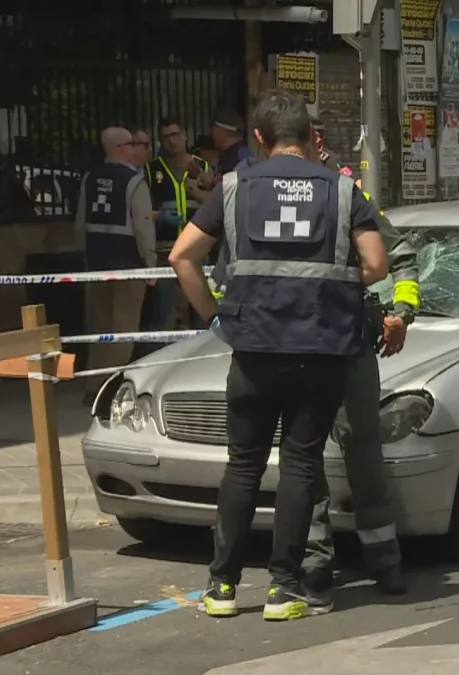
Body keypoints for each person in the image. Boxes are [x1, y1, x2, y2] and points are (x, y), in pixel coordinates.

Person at [167, 89, 390, 620]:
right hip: (320, 351)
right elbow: (377, 265)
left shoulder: (233, 186)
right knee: (298, 464)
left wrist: (215, 318)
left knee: (242, 466)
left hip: (253, 348)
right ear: (310, 139)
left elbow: (182, 257)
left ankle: (221, 588)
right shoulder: (341, 190)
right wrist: (332, 287)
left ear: (260, 139)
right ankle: (283, 588)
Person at [301, 161, 419, 600]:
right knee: (305, 454)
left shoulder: (345, 194)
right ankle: (318, 562)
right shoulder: (264, 193)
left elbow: (400, 258)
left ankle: (377, 561)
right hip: (305, 345)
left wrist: (401, 315)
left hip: (341, 342)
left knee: (357, 452)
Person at [76, 128, 157, 406]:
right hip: (128, 266)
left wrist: (85, 258)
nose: (137, 148)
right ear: (123, 147)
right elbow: (143, 228)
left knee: (98, 327)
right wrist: (150, 265)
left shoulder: (89, 179)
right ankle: (109, 388)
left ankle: (91, 385)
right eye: (133, 144)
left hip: (96, 265)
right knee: (123, 328)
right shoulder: (134, 181)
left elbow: (80, 225)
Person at [144, 117, 213, 331]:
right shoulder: (151, 170)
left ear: (185, 135)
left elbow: (214, 203)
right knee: (165, 313)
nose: (171, 141)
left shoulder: (203, 167)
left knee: (201, 311)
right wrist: (160, 216)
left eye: (175, 135)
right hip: (166, 249)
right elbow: (144, 211)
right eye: (166, 137)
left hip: (198, 249)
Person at [211, 108, 252, 175]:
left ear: (221, 131)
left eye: (214, 129)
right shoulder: (240, 155)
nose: (212, 133)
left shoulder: (240, 158)